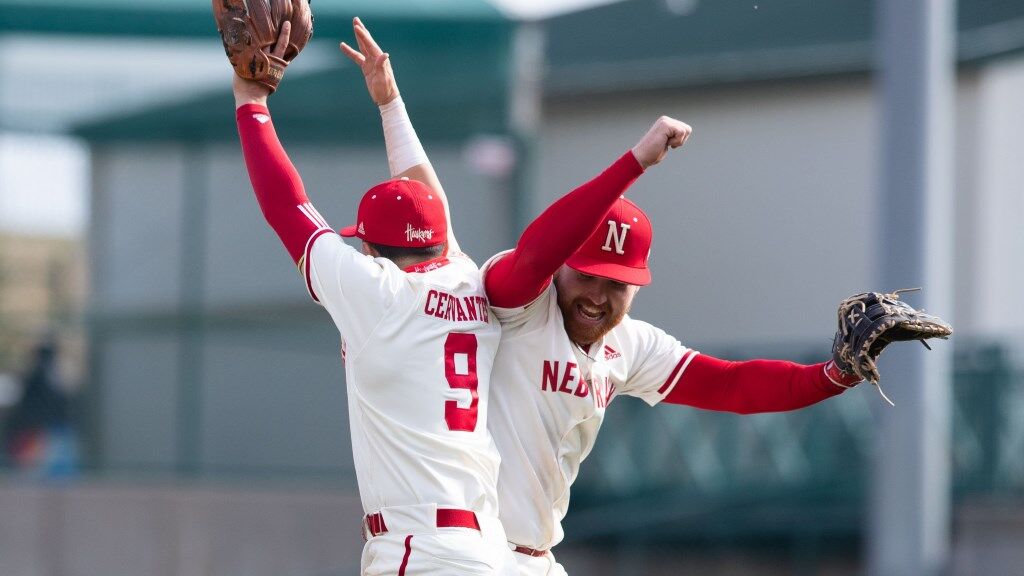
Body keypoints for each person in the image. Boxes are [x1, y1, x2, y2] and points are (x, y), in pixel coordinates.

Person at [232, 18, 517, 575]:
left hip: (421, 549)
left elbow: (285, 206)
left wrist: (250, 99)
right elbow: (429, 204)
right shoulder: (466, 281)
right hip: (484, 548)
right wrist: (390, 103)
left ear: (372, 249)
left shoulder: (379, 292)